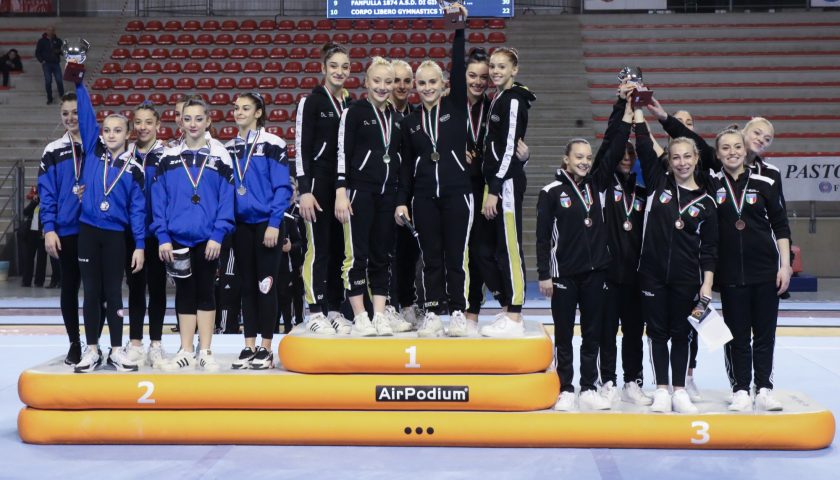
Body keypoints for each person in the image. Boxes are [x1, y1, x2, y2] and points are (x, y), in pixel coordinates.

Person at [538, 102, 635, 411]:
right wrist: (545, 274)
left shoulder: (598, 184)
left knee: (593, 331)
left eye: (588, 158)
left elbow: (613, 142)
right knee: (564, 333)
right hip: (564, 274)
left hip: (596, 273)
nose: (584, 162)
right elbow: (542, 237)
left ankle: (588, 386)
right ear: (566, 159)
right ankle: (566, 387)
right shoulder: (550, 191)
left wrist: (624, 106)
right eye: (578, 157)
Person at [634, 108, 718, 414]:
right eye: (676, 157)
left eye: (687, 156)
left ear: (696, 159)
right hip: (652, 274)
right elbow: (643, 143)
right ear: (669, 160)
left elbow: (710, 249)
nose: (681, 162)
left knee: (681, 333)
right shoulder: (659, 183)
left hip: (687, 278)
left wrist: (706, 286)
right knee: (656, 333)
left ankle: (680, 390)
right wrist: (637, 110)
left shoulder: (707, 202)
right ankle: (661, 390)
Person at [396, 9, 473, 337]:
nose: (427, 88)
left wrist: (458, 29)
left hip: (457, 193)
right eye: (421, 83)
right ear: (416, 86)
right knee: (430, 259)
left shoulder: (455, 107)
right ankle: (432, 313)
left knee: (456, 258)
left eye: (432, 82)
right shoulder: (410, 122)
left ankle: (458, 311)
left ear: (443, 85)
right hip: (424, 197)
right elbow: (404, 169)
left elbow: (458, 66)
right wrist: (403, 202)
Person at [710, 128, 791, 412]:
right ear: (718, 154)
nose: (732, 152)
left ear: (745, 151)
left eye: (736, 147)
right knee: (736, 335)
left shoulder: (766, 180)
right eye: (725, 148)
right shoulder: (710, 183)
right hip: (730, 274)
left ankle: (764, 388)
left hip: (766, 271)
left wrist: (785, 265)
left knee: (765, 335)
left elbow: (781, 225)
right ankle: (740, 389)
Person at [152, 96, 235, 371]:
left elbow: (227, 199)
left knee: (206, 292)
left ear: (208, 120)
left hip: (208, 238)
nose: (193, 124)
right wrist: (163, 236)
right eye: (187, 118)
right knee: (184, 293)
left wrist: (219, 234)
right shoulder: (169, 156)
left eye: (199, 118)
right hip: (177, 238)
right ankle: (186, 350)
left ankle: (206, 350)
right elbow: (159, 200)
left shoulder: (220, 154)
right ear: (180, 121)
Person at [71, 78, 146, 373]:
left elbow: (138, 211)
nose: (111, 134)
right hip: (88, 231)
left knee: (114, 291)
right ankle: (92, 350)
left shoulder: (134, 168)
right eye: (107, 130)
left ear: (129, 134)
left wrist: (139, 245)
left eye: (117, 130)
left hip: (116, 235)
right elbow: (86, 115)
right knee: (90, 291)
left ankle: (116, 349)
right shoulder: (94, 151)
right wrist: (78, 83)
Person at [594, 83, 652, 406]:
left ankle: (633, 381)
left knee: (634, 333)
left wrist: (639, 118)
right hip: (608, 274)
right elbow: (609, 147)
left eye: (632, 154)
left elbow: (650, 157)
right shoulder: (601, 186)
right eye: (623, 154)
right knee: (607, 333)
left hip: (636, 276)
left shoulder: (644, 194)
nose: (627, 159)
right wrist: (623, 110)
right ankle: (608, 381)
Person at [225, 92, 292, 370]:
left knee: (266, 286)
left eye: (245, 108)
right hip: (241, 227)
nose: (238, 112)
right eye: (236, 108)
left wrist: (274, 223)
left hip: (267, 224)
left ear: (258, 112)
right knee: (246, 287)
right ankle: (248, 344)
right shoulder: (226, 149)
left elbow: (282, 188)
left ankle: (266, 347)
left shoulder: (274, 144)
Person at [335, 57, 401, 336]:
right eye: (377, 81)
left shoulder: (397, 119)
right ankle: (360, 315)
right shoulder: (354, 112)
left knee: (382, 256)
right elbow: (342, 152)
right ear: (366, 82)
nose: (383, 87)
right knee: (356, 255)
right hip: (358, 192)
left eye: (388, 82)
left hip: (387, 194)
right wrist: (340, 191)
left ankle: (380, 315)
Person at [479, 47, 536, 337]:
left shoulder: (513, 101)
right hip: (499, 181)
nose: (496, 70)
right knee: (496, 248)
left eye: (503, 66)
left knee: (510, 247)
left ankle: (514, 315)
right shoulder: (498, 98)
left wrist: (496, 188)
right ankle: (507, 310)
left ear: (514, 69)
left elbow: (510, 148)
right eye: (493, 66)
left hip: (508, 183)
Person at [295, 43, 352, 335]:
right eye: (334, 66)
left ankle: (334, 309)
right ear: (323, 68)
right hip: (317, 185)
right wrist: (304, 189)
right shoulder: (312, 102)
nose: (339, 71)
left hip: (342, 188)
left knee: (340, 250)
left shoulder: (350, 103)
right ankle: (314, 309)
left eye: (344, 66)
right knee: (317, 250)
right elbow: (301, 148)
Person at [39, 92, 88, 365]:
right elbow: (46, 193)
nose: (70, 118)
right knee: (69, 287)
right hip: (66, 231)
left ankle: (93, 343)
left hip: (96, 229)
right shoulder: (53, 150)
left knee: (98, 291)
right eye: (65, 113)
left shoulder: (99, 145)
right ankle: (74, 343)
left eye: (75, 113)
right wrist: (49, 228)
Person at [122, 102, 169, 369]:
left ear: (158, 125)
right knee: (136, 288)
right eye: (138, 122)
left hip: (159, 233)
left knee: (159, 289)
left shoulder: (168, 155)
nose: (142, 127)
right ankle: (136, 343)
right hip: (132, 233)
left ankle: (157, 344)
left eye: (148, 122)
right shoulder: (125, 156)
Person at [388, 58, 424, 328]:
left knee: (409, 253)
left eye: (405, 80)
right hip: (381, 191)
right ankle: (386, 305)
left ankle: (408, 305)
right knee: (382, 253)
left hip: (409, 194)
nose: (401, 86)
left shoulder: (417, 117)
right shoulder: (376, 113)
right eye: (396, 80)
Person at [20, 187, 47, 288]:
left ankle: (39, 281)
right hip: (31, 233)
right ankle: (26, 281)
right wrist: (34, 202)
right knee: (28, 258)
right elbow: (25, 212)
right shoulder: (34, 203)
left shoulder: (46, 205)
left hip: (42, 234)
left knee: (41, 259)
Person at [35, 26, 64, 104]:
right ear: (46, 31)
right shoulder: (41, 41)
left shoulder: (58, 41)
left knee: (59, 80)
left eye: (52, 30)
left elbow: (62, 52)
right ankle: (49, 98)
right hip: (46, 64)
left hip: (56, 63)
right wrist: (42, 61)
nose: (50, 32)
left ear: (54, 31)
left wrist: (59, 51)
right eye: (48, 30)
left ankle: (62, 96)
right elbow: (37, 52)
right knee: (48, 81)